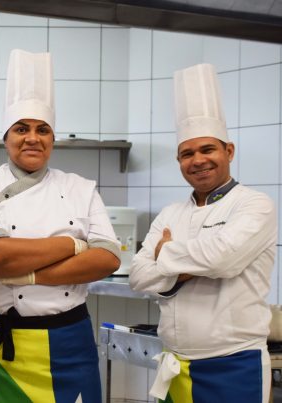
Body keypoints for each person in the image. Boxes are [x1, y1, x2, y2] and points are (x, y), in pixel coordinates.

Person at [0, 49, 121, 403]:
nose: (32, 138)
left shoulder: (80, 187)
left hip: (69, 341)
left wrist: (30, 276)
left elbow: (108, 258)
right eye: (22, 129)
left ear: (52, 139)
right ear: (6, 138)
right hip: (3, 342)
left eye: (42, 130)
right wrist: (73, 246)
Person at [129, 63, 276, 403]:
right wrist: (195, 264)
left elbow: (223, 259)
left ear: (229, 151)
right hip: (176, 365)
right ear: (179, 160)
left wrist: (165, 254)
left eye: (207, 149)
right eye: (187, 153)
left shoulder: (255, 204)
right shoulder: (171, 213)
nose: (198, 160)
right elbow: (138, 276)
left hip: (235, 365)